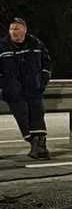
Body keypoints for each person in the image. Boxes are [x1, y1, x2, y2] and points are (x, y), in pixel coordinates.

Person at [0, 17, 52, 159]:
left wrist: (42, 79)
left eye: (16, 28)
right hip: (13, 91)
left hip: (33, 88)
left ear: (24, 29)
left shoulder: (35, 43)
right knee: (23, 115)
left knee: (37, 114)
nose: (13, 32)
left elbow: (46, 63)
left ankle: (40, 145)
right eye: (11, 29)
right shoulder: (3, 46)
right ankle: (35, 143)